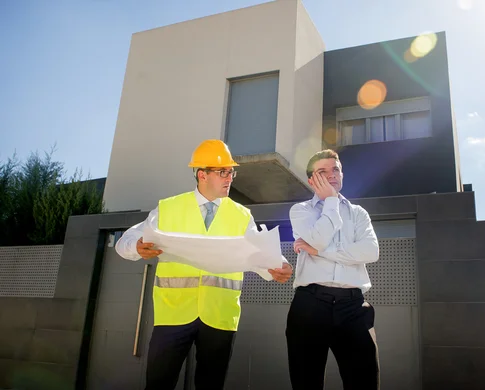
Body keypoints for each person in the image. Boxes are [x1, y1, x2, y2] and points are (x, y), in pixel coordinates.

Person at [115, 139, 293, 390]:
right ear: (202, 175)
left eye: (231, 171)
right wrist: (136, 247)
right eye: (223, 172)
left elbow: (260, 253)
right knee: (158, 383)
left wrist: (279, 266)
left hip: (219, 317)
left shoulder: (242, 215)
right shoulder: (168, 208)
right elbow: (125, 242)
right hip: (173, 315)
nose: (230, 177)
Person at [286, 149, 380, 390]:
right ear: (311, 181)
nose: (331, 175)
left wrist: (322, 252)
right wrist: (330, 201)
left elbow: (370, 252)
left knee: (364, 381)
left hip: (353, 307)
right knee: (306, 381)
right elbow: (317, 239)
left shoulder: (359, 214)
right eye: (322, 172)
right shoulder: (301, 211)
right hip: (310, 305)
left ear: (342, 173)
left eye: (335, 169)